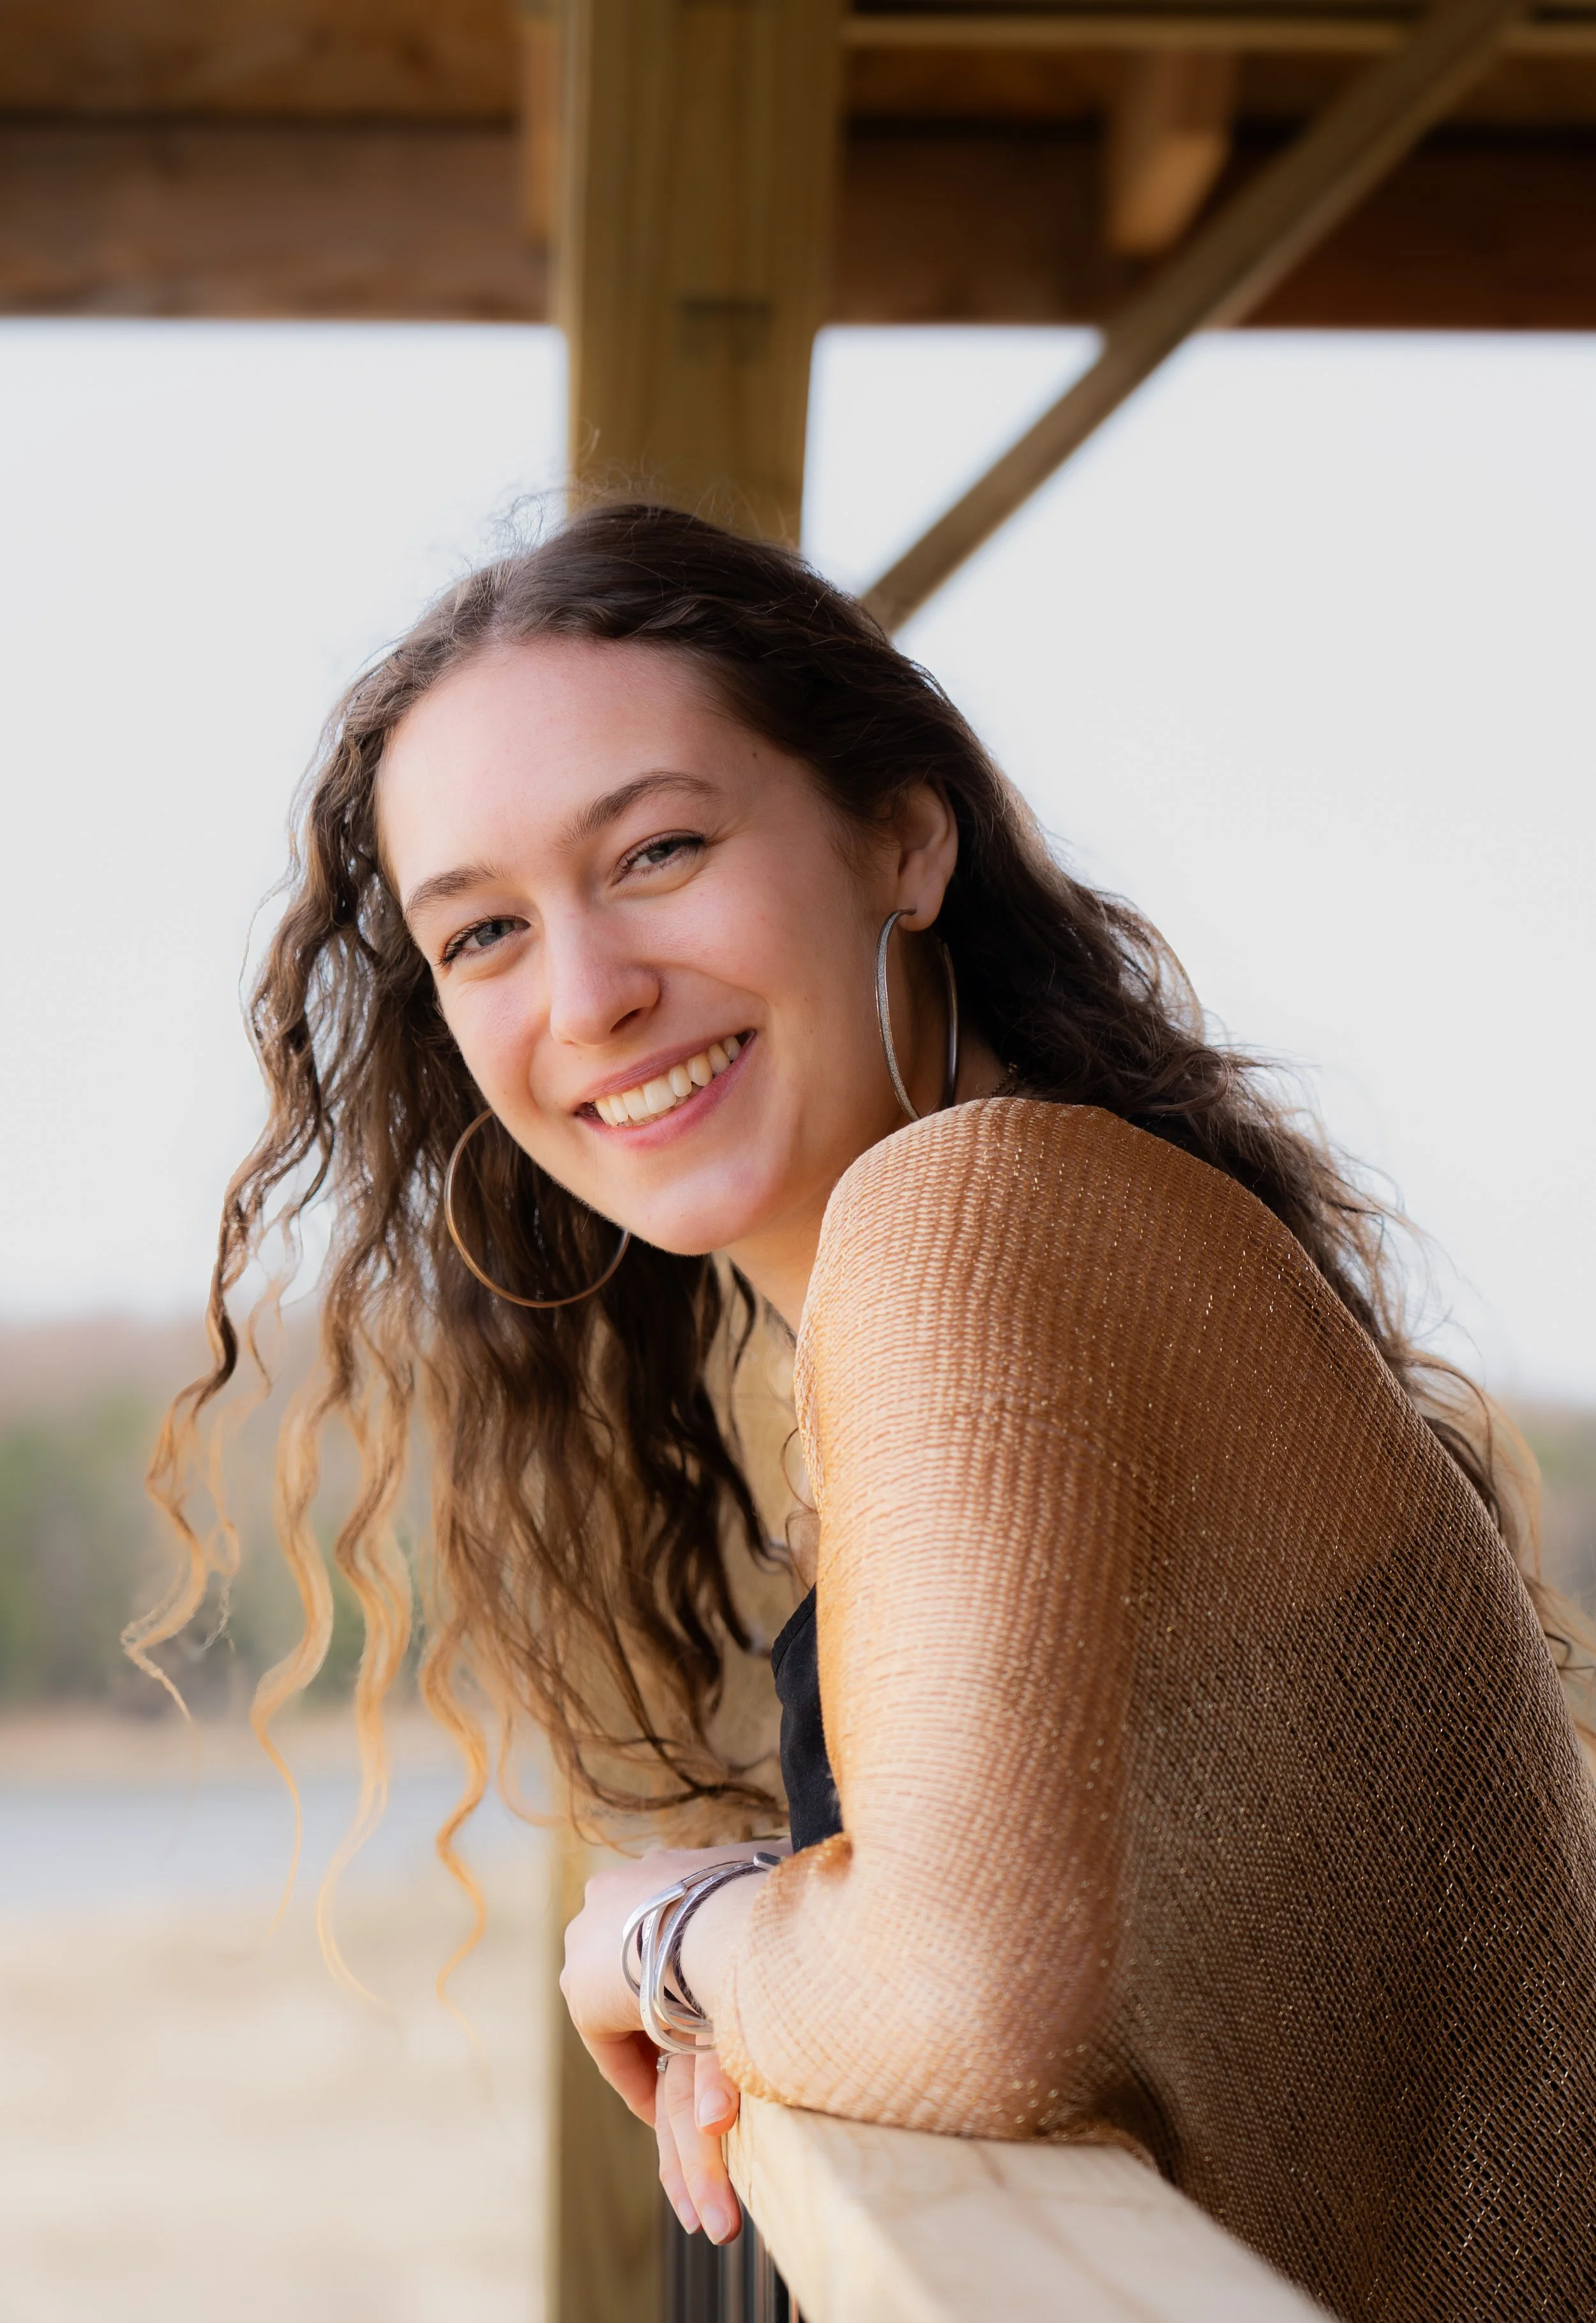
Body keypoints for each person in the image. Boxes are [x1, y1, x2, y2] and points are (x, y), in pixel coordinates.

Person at [148, 502, 1596, 2320]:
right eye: (485, 933)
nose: (588, 995)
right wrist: (789, 1925)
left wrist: (661, 1934)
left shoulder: (966, 1213)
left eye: (659, 848)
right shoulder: (1017, 1245)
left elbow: (967, 1995)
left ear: (902, 840)